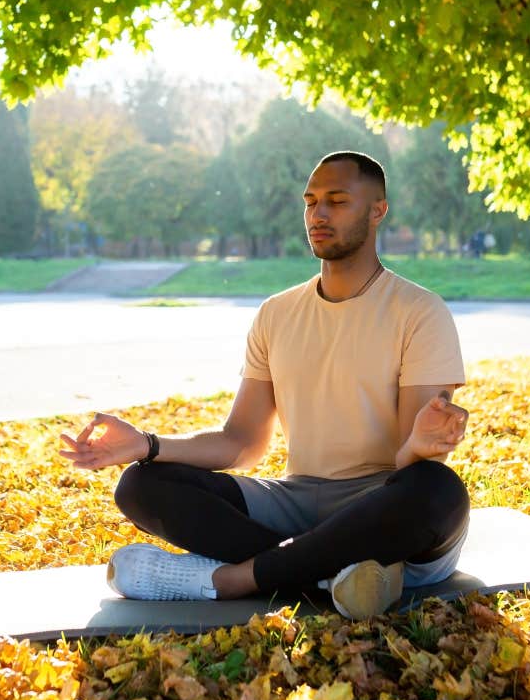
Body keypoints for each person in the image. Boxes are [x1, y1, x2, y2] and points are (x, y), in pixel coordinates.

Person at [60, 151, 470, 619]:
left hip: (379, 505)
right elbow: (241, 444)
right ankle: (334, 575)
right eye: (311, 201)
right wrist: (146, 444)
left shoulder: (420, 312)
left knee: (437, 490)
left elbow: (406, 463)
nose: (318, 214)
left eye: (337, 201)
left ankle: (230, 579)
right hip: (296, 502)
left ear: (378, 210)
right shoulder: (277, 313)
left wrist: (420, 443)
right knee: (141, 484)